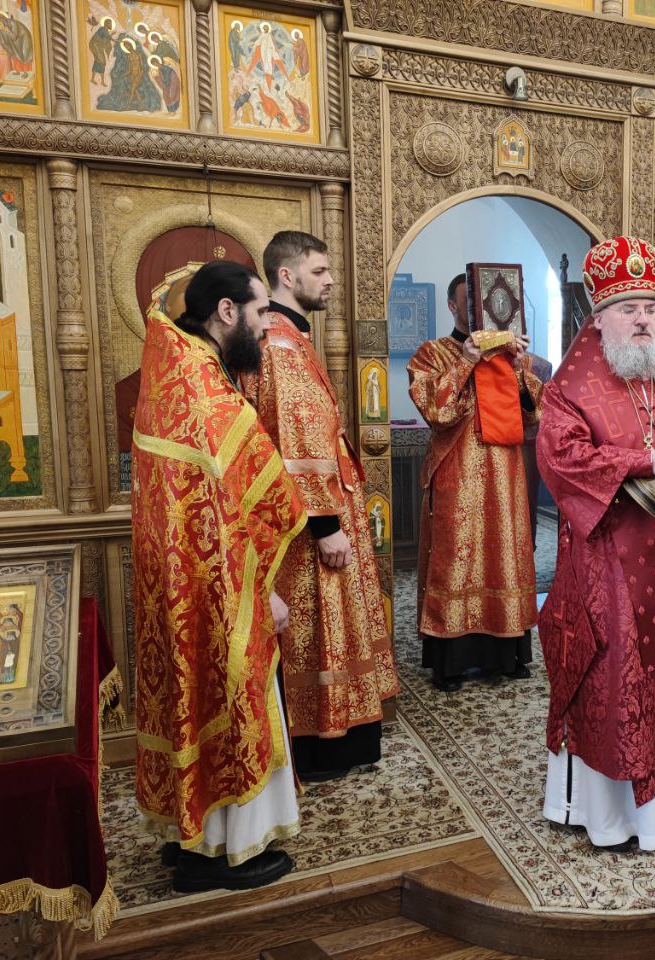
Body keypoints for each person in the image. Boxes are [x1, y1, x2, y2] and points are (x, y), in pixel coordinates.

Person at [537, 236, 655, 850]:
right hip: (611, 560)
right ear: (599, 318)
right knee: (617, 676)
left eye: (650, 307)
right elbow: (561, 459)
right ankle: (614, 816)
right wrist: (643, 461)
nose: (644, 319)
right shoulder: (570, 386)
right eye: (629, 309)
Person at [132, 260, 305, 892]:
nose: (264, 327)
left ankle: (188, 837)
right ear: (226, 312)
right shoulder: (205, 388)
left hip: (179, 575)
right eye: (259, 313)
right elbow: (256, 499)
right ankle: (225, 851)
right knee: (230, 700)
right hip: (217, 582)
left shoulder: (172, 371)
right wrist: (263, 589)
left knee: (188, 696)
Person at [242, 231, 399, 782]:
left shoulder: (291, 338)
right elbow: (297, 436)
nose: (330, 280)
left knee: (334, 623)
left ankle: (339, 732)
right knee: (319, 626)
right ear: (286, 277)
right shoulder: (280, 345)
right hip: (309, 519)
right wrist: (326, 525)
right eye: (319, 271)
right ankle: (323, 741)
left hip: (320, 506)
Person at [407, 272, 542, 691]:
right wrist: (466, 361)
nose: (481, 308)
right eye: (470, 301)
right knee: (456, 559)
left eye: (486, 300)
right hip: (457, 474)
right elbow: (437, 412)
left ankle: (506, 654)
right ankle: (450, 662)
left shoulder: (510, 356)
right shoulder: (431, 353)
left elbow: (534, 414)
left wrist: (518, 369)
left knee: (505, 554)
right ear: (452, 305)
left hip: (506, 477)